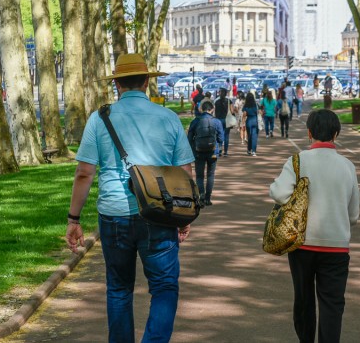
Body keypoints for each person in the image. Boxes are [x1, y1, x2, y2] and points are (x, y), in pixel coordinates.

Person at [66, 53, 195, 343]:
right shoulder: (168, 118)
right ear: (148, 81)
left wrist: (73, 218)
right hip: (160, 214)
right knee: (164, 287)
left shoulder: (100, 119)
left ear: (117, 85)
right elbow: (185, 174)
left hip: (113, 214)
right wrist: (184, 217)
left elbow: (84, 173)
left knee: (119, 289)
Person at [269, 109, 360, 343]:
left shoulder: (297, 161)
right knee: (332, 304)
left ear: (309, 133)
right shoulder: (347, 166)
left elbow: (279, 193)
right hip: (337, 246)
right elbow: (353, 214)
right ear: (336, 134)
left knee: (304, 299)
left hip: (302, 243)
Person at [187, 100, 224, 207]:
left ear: (201, 109)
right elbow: (221, 138)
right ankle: (208, 198)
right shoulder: (216, 121)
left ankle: (201, 196)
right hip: (212, 152)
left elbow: (189, 138)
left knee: (199, 176)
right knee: (210, 175)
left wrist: (193, 149)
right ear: (212, 109)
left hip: (198, 152)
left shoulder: (196, 121)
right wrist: (218, 148)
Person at [214, 88, 234, 157]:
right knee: (226, 135)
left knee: (218, 135)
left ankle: (219, 150)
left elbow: (214, 112)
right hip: (227, 120)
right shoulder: (229, 101)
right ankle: (225, 151)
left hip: (218, 120)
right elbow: (232, 111)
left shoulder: (216, 102)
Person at [242, 92, 259, 156]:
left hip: (248, 120)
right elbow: (258, 112)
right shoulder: (255, 104)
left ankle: (249, 149)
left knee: (249, 136)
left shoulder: (246, 105)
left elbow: (244, 114)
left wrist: (243, 122)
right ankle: (254, 151)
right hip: (255, 120)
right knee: (254, 136)